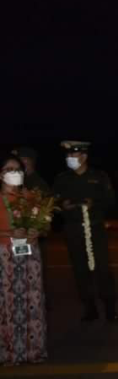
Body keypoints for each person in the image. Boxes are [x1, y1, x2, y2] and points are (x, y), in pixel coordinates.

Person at [53, 141, 118, 322]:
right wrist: (62, 206)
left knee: (103, 269)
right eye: (67, 156)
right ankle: (89, 308)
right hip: (73, 229)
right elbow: (54, 203)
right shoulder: (62, 178)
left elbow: (110, 200)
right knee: (80, 270)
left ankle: (110, 308)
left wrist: (94, 204)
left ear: (84, 157)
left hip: (95, 227)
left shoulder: (99, 176)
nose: (69, 159)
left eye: (73, 156)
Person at [0, 156, 47, 365]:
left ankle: (33, 351)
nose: (14, 172)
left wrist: (36, 230)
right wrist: (9, 231)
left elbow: (45, 224)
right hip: (5, 254)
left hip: (29, 255)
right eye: (9, 169)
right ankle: (9, 352)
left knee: (32, 301)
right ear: (1, 174)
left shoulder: (31, 197)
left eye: (17, 168)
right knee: (8, 302)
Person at [12, 147, 51, 304]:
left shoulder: (37, 183)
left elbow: (46, 212)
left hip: (31, 238)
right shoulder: (18, 182)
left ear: (29, 161)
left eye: (22, 161)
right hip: (16, 237)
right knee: (18, 271)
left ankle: (35, 300)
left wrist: (38, 228)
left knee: (30, 270)